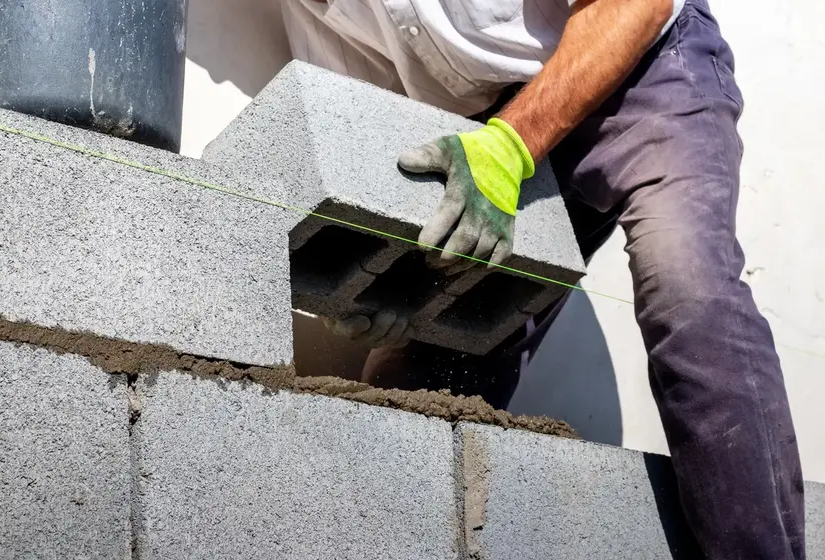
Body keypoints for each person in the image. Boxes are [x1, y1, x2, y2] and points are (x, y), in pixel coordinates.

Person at [280, 0, 806, 557]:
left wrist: (513, 145)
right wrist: (393, 286)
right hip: (484, 123)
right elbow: (373, 129)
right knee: (425, 366)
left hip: (642, 65)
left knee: (686, 290)